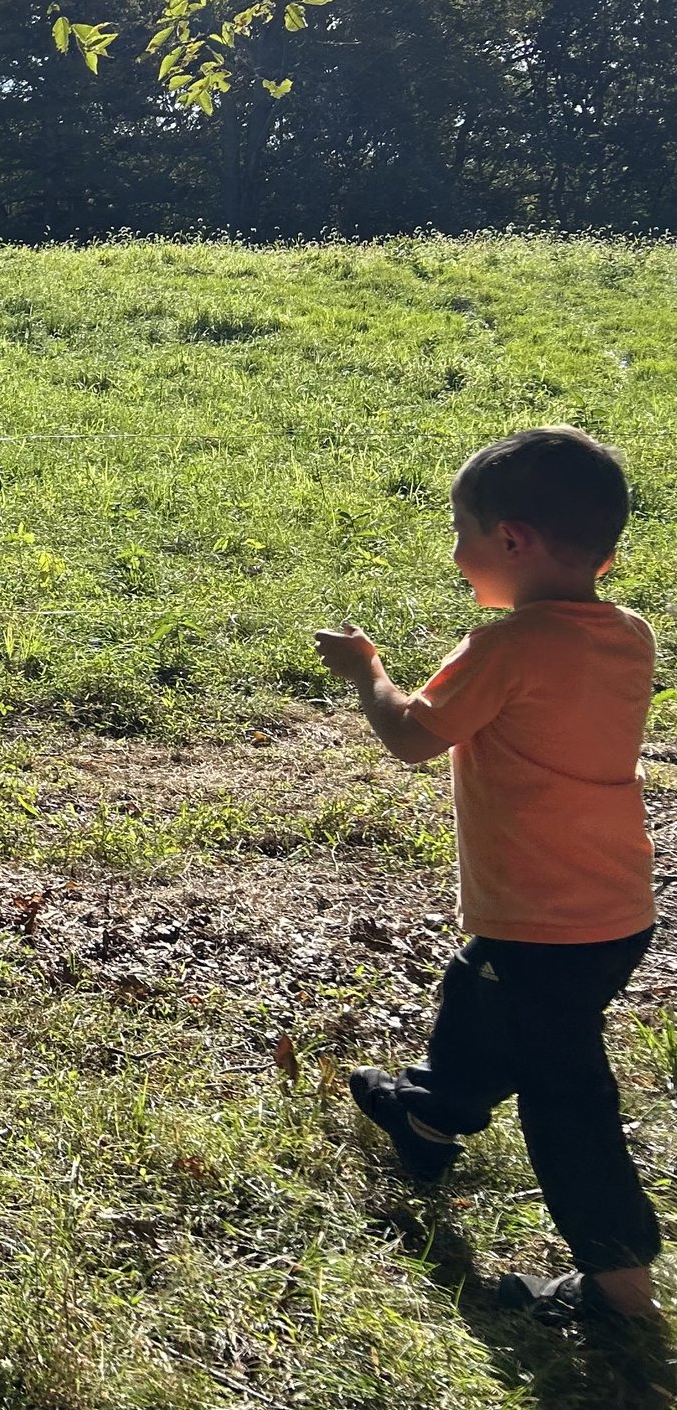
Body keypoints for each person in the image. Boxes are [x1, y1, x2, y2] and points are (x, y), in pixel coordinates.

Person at [316, 426, 660, 1324]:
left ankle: (618, 1289)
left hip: (546, 918)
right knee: (480, 995)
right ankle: (428, 1115)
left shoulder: (502, 648)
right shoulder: (630, 636)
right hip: (614, 907)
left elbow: (411, 736)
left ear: (512, 541)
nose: (455, 552)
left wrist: (368, 671)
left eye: (461, 529)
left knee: (565, 1094)